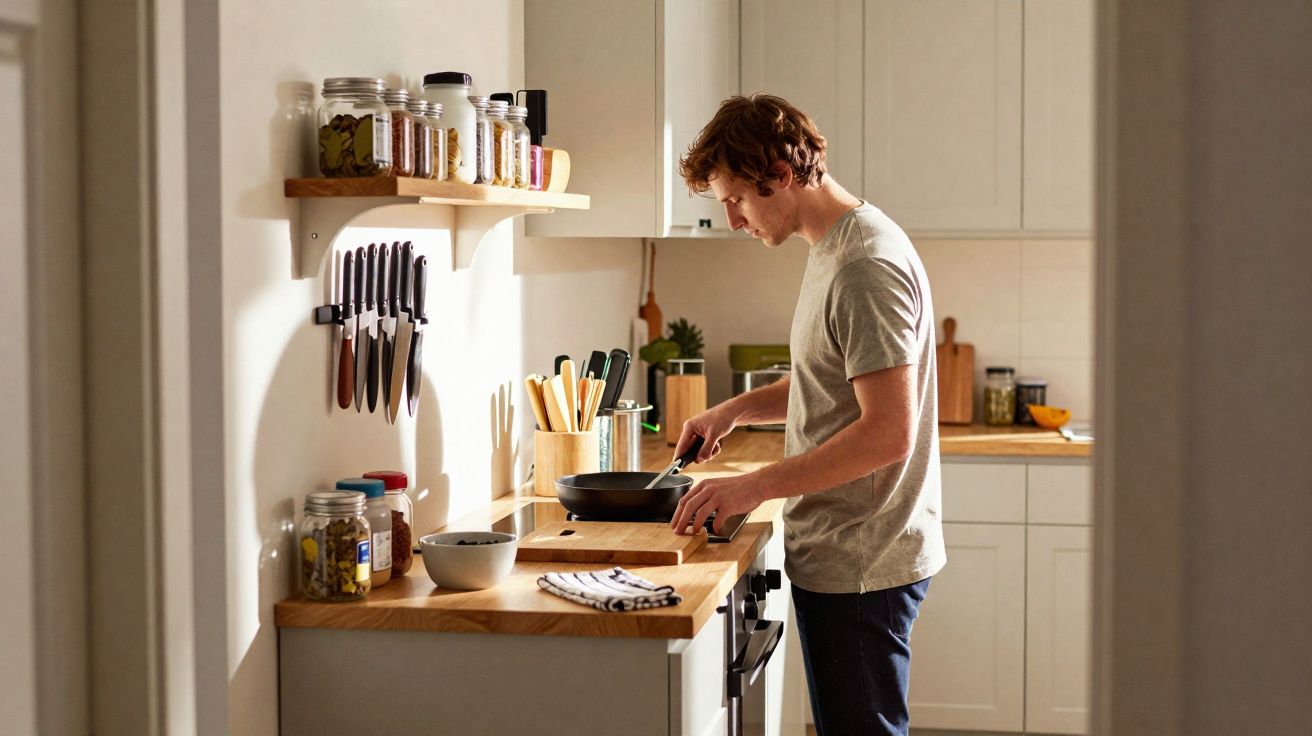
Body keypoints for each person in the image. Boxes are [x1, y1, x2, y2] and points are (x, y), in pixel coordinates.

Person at [667, 93, 946, 736]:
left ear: (782, 174)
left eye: (738, 199)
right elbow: (835, 377)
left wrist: (752, 486)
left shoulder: (863, 266)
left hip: (863, 558)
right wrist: (735, 411)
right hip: (846, 549)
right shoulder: (834, 246)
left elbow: (888, 432)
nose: (732, 220)